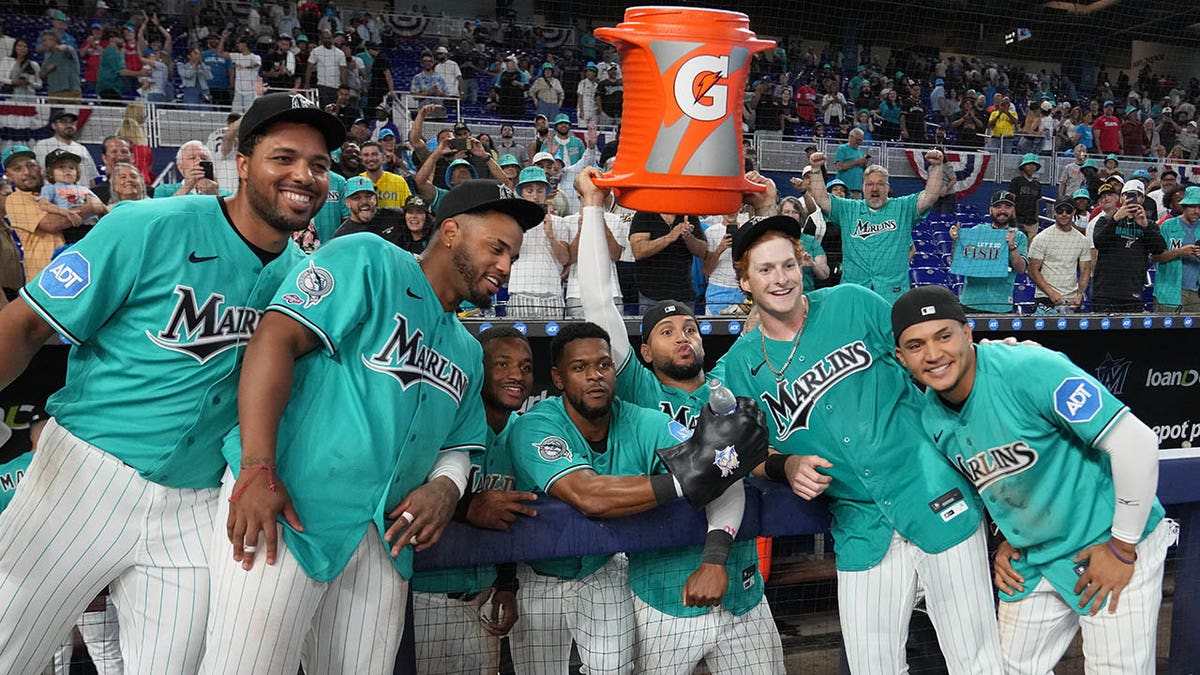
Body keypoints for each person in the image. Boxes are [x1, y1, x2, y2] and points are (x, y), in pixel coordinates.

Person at [0, 91, 340, 675]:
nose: (304, 176)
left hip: (197, 504)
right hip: (84, 477)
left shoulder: (302, 281)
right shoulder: (148, 225)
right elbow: (28, 324)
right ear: (243, 163)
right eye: (284, 158)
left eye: (319, 164)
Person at [200, 180, 542, 675]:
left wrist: (446, 488)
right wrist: (255, 467)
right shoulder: (371, 259)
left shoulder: (468, 349)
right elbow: (275, 338)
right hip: (286, 509)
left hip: (383, 538)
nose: (505, 267)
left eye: (512, 256)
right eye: (497, 248)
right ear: (450, 232)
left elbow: (459, 444)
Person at [712, 211, 1004, 675]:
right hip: (860, 528)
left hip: (935, 498)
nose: (781, 278)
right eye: (765, 270)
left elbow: (930, 357)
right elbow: (745, 454)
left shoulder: (851, 302)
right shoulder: (739, 365)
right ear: (745, 282)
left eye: (787, 264)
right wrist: (786, 465)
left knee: (978, 662)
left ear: (801, 264)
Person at [890, 285, 1176, 675]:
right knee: (1001, 669)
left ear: (967, 332)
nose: (933, 354)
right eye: (916, 345)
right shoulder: (930, 416)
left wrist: (1123, 547)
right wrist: (1008, 536)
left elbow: (1137, 443)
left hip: (1108, 542)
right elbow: (995, 483)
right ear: (901, 357)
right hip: (1037, 556)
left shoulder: (1026, 367)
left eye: (944, 336)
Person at [576, 171, 786, 673]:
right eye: (667, 331)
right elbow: (598, 301)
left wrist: (764, 211)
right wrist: (592, 205)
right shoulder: (638, 389)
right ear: (646, 351)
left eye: (690, 328)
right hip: (664, 594)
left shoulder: (729, 381)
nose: (684, 337)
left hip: (742, 591)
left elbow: (770, 305)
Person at [500, 321, 768, 675]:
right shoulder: (535, 425)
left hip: (602, 570)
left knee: (613, 670)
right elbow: (588, 495)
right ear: (558, 378)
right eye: (580, 367)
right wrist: (687, 478)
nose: (595, 375)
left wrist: (715, 554)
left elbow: (720, 474)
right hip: (539, 577)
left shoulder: (645, 421)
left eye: (604, 364)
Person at [411, 326, 538, 675]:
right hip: (424, 596)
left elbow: (515, 519)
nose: (517, 375)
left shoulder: (525, 433)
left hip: (482, 599)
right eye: (502, 364)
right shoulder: (443, 424)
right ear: (478, 370)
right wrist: (467, 507)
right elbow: (404, 495)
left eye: (526, 367)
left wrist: (506, 585)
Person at [807, 150, 945, 304]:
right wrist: (815, 169)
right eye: (870, 184)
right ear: (863, 187)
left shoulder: (903, 207)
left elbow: (930, 196)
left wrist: (937, 167)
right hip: (855, 289)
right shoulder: (848, 209)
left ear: (887, 187)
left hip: (892, 292)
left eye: (880, 184)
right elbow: (821, 199)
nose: (874, 188)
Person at [505, 166, 573, 318]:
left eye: (540, 191)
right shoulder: (512, 222)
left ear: (546, 193)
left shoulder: (559, 222)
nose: (535, 196)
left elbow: (565, 259)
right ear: (521, 193)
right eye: (529, 191)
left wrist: (550, 235)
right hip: (520, 292)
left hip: (552, 294)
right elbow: (507, 254)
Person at [1091, 180, 1165, 313]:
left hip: (1133, 291)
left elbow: (1159, 249)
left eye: (1137, 195)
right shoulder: (1105, 220)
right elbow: (1099, 243)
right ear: (1121, 198)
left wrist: (1145, 226)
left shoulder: (1149, 225)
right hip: (1106, 292)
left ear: (1142, 199)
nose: (1131, 199)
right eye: (1127, 194)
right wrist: (1115, 219)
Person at [948, 190, 1028, 313]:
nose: (1002, 210)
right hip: (970, 302)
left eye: (1007, 207)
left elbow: (1021, 269)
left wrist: (1012, 247)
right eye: (998, 206)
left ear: (1013, 210)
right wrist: (955, 241)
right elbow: (957, 260)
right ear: (990, 210)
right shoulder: (976, 232)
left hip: (1001, 305)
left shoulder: (1019, 236)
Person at [1028, 197, 1093, 313]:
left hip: (1072, 300)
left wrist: (1080, 295)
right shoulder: (1041, 238)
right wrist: (1051, 293)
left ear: (1073, 212)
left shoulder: (1082, 240)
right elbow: (1032, 270)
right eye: (1060, 210)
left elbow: (1085, 270)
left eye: (1068, 211)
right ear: (1054, 212)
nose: (1064, 214)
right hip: (1045, 298)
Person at [1151, 185, 1200, 313]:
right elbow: (1155, 256)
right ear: (1184, 206)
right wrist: (1180, 252)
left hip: (1196, 295)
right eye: (1192, 207)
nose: (1197, 211)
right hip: (1168, 293)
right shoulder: (1167, 226)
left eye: (1199, 207)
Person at [36, 149, 108, 235]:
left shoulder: (84, 189)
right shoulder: (50, 188)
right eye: (61, 167)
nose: (67, 170)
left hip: (93, 227)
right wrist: (66, 212)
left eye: (72, 168)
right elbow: (43, 205)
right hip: (70, 228)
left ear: (77, 172)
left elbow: (100, 206)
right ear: (50, 173)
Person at [33, 111, 100, 188]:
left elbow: (91, 179)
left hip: (82, 194)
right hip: (54, 194)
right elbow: (36, 174)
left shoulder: (82, 149)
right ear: (54, 125)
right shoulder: (42, 145)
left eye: (72, 122)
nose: (69, 125)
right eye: (64, 122)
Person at [156, 140, 223, 198]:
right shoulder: (163, 190)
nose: (199, 161)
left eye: (204, 158)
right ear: (181, 167)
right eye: (192, 158)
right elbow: (161, 209)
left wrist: (215, 194)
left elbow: (226, 209)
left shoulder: (224, 193)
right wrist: (186, 188)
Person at [1009, 153, 1043, 242]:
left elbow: (1036, 203)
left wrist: (1037, 219)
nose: (1031, 167)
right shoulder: (1016, 181)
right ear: (1023, 166)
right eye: (1029, 164)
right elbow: (1011, 201)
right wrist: (1014, 220)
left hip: (1032, 222)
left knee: (1031, 246)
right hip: (1019, 220)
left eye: (1034, 165)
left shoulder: (1037, 184)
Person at [834, 128, 869, 197]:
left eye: (861, 140)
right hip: (843, 190)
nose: (859, 142)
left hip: (857, 190)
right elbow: (839, 166)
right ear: (850, 137)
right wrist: (856, 162)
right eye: (857, 140)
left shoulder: (861, 152)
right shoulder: (842, 149)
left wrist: (864, 164)